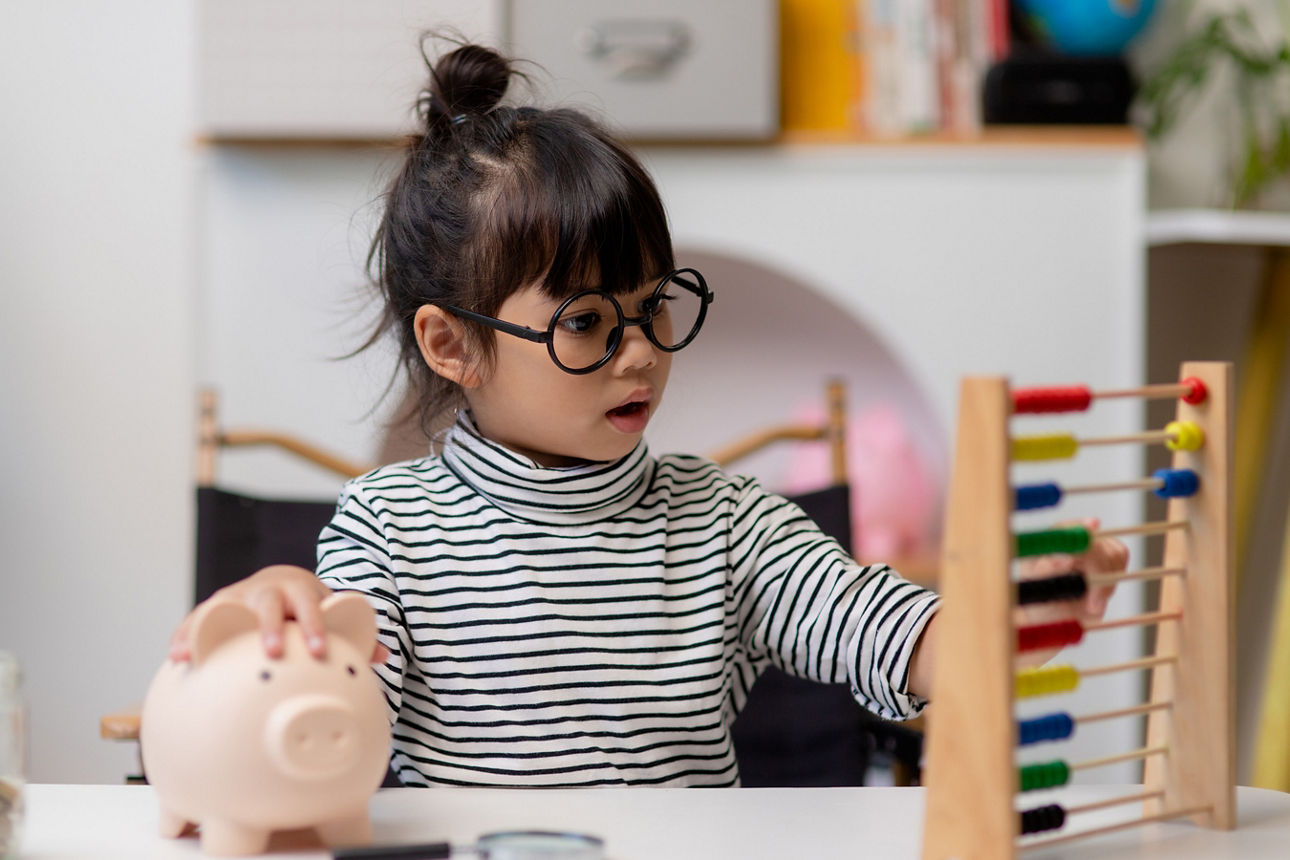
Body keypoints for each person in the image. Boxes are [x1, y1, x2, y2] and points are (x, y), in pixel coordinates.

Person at [170, 42, 1127, 787]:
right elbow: (320, 710)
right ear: (451, 344)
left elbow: (893, 635)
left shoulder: (726, 524)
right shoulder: (389, 530)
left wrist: (1016, 607)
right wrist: (272, 612)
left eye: (655, 304)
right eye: (585, 322)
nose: (641, 350)